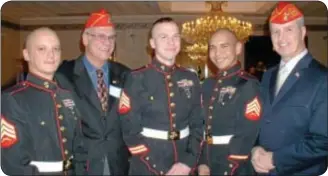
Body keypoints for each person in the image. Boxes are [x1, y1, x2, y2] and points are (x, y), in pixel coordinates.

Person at [117, 17, 204, 175]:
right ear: (152, 43)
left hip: (184, 162)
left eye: (175, 36)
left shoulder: (190, 78)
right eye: (163, 37)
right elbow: (130, 131)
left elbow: (198, 124)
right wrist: (160, 170)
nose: (171, 42)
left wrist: (187, 162)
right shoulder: (136, 78)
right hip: (147, 164)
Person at [251, 2, 328, 175]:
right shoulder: (268, 75)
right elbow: (260, 119)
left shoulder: (322, 79)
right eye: (275, 31)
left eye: (288, 29)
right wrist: (255, 148)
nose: (281, 37)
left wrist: (275, 159)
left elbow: (323, 141)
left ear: (303, 32)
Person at [1, 27, 87, 175]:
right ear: (27, 55)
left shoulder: (67, 95)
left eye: (56, 49)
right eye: (42, 49)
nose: (51, 55)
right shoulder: (12, 99)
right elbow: (12, 164)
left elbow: (79, 147)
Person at [57, 9, 130, 175]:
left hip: (118, 164)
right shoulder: (63, 75)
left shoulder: (125, 74)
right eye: (101, 36)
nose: (108, 42)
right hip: (82, 165)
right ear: (85, 39)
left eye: (111, 37)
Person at [197, 29, 261, 176]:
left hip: (235, 166)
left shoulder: (248, 84)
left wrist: (229, 168)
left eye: (224, 46)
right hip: (208, 162)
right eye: (212, 47)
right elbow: (201, 127)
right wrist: (203, 163)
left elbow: (247, 133)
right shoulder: (207, 84)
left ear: (238, 48)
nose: (217, 53)